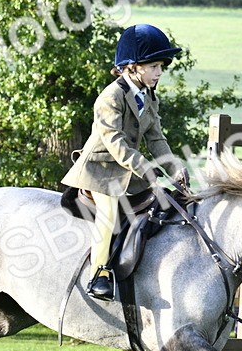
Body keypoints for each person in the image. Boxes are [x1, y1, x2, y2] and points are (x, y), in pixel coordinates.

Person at [61, 23, 186, 301]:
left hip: (127, 170)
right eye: (153, 66)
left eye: (161, 67)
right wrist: (146, 168)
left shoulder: (149, 96)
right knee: (108, 213)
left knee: (162, 204)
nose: (159, 72)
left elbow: (156, 138)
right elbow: (115, 142)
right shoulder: (110, 97)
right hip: (99, 169)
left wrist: (175, 168)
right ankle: (99, 274)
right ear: (131, 67)